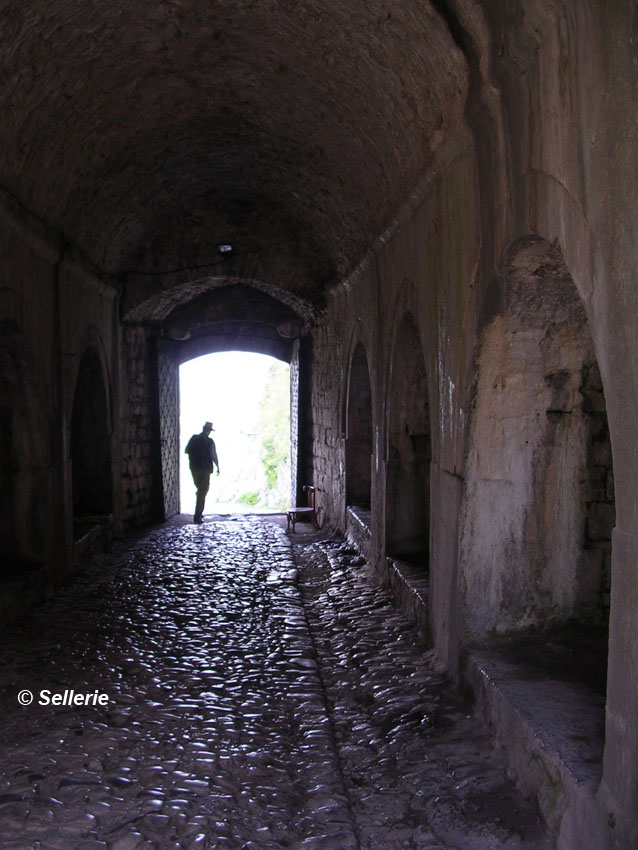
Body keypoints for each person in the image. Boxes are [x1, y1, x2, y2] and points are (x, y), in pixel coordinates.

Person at [185, 421, 220, 523]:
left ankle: (199, 512)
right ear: (209, 431)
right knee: (203, 491)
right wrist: (218, 467)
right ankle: (198, 516)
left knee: (200, 490)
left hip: (194, 468)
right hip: (205, 469)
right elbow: (213, 456)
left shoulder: (194, 438)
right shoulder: (210, 442)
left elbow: (187, 451)